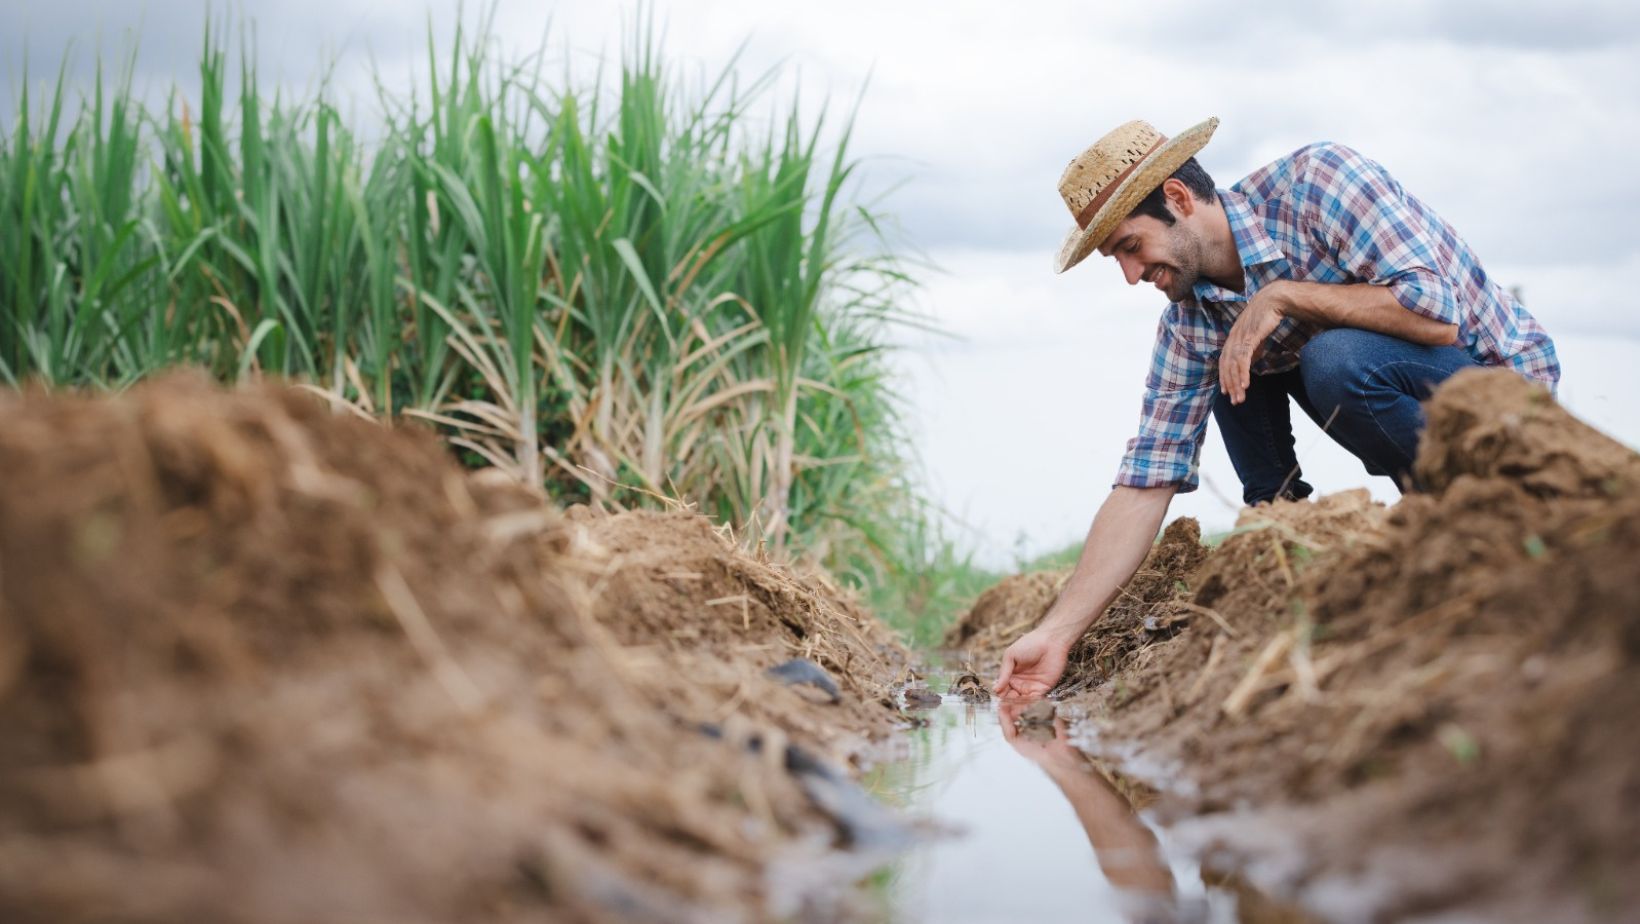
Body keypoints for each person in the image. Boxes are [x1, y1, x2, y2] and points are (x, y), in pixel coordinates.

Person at [993, 118, 1558, 698]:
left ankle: (1484, 519)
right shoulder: (1188, 325)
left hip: (1497, 391)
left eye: (1131, 248)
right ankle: (1284, 544)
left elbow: (1437, 315)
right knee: (1232, 349)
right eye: (1118, 260)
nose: (1132, 276)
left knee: (1334, 357)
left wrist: (1282, 295)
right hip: (1400, 407)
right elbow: (1145, 481)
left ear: (1179, 198)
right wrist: (1056, 635)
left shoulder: (1320, 184)